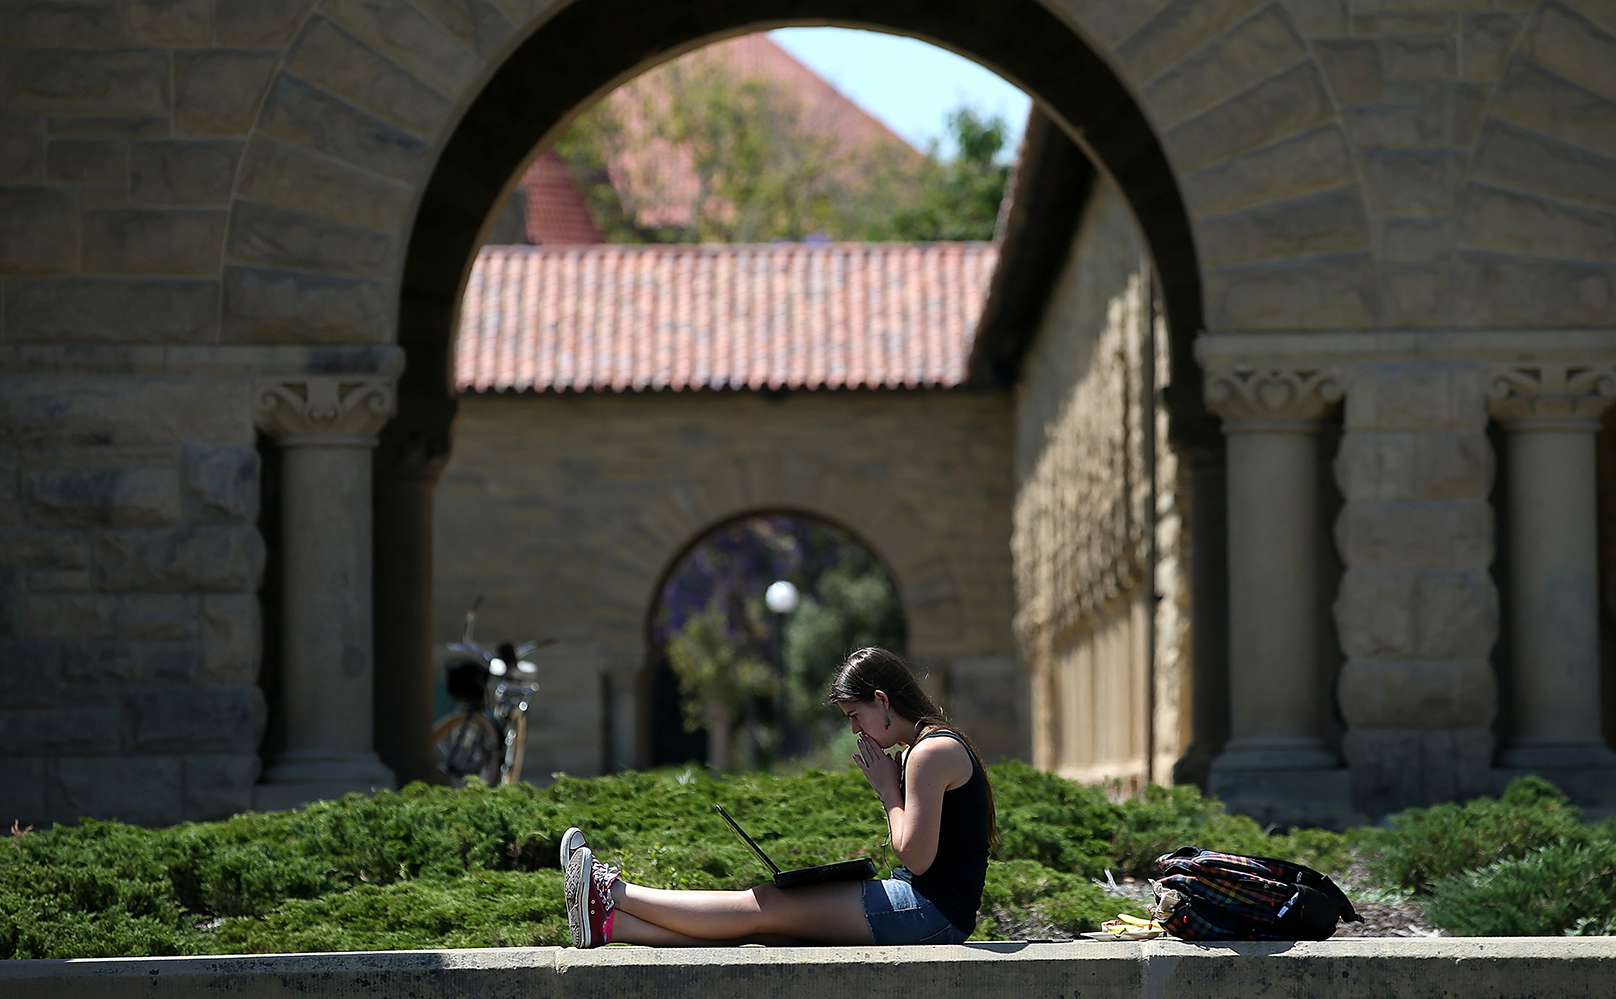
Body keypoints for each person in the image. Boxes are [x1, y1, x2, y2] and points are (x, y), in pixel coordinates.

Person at [562, 646, 997, 947]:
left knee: (767, 903)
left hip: (930, 914)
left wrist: (887, 791)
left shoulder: (931, 751)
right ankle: (612, 926)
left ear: (881, 700)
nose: (855, 730)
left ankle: (612, 893)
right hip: (927, 909)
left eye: (855, 715)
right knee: (772, 929)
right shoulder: (923, 749)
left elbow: (916, 858)